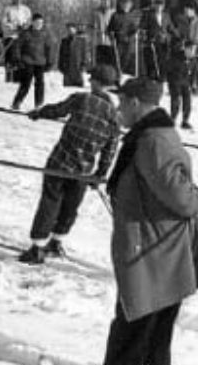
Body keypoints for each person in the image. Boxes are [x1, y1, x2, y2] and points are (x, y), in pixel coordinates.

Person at [76, 76, 198, 365]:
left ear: (136, 102)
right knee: (158, 312)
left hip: (152, 245)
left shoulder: (151, 141)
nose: (118, 109)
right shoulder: (153, 135)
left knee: (135, 314)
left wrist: (195, 199)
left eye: (122, 103)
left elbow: (181, 197)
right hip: (158, 241)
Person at [18, 64, 122, 265]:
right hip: (83, 171)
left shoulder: (82, 99)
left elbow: (57, 110)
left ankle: (38, 247)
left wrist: (38, 113)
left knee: (50, 202)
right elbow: (110, 150)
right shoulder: (115, 116)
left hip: (59, 163)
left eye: (91, 78)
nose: (89, 81)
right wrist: (99, 174)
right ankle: (56, 242)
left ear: (97, 83)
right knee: (70, 206)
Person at [11, 14, 56, 110]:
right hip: (28, 61)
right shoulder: (26, 33)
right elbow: (17, 46)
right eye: (37, 23)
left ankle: (39, 104)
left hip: (40, 62)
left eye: (41, 23)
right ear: (32, 23)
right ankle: (17, 102)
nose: (39, 25)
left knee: (40, 84)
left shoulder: (45, 34)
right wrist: (18, 59)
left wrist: (50, 61)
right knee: (26, 83)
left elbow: (49, 48)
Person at [165, 40, 198, 130]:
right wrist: (170, 81)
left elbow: (194, 73)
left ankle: (185, 121)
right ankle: (172, 119)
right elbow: (167, 70)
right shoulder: (176, 58)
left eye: (194, 50)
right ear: (185, 49)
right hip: (175, 82)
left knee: (187, 101)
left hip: (186, 83)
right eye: (191, 49)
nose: (192, 52)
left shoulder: (194, 60)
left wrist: (193, 84)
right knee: (176, 100)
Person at [0, 0, 32, 82]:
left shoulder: (26, 9)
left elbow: (29, 21)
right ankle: (9, 78)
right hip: (11, 36)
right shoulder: (8, 9)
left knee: (22, 58)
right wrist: (14, 26)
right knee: (11, 58)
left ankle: (20, 78)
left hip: (22, 37)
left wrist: (25, 26)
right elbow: (4, 22)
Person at [106, 0, 140, 76]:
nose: (126, 6)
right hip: (118, 41)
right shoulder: (115, 15)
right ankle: (116, 75)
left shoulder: (131, 17)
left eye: (127, 5)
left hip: (127, 42)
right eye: (124, 5)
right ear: (121, 5)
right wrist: (111, 35)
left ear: (130, 6)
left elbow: (134, 29)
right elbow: (109, 29)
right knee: (116, 59)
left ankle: (122, 73)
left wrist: (134, 33)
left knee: (126, 59)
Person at [58, 22, 89, 88]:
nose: (70, 31)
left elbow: (85, 54)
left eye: (72, 29)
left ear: (75, 30)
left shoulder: (81, 41)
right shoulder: (64, 41)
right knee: (67, 91)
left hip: (77, 69)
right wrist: (60, 66)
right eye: (68, 29)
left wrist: (83, 65)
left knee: (78, 91)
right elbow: (61, 55)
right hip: (67, 70)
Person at [89, 0, 115, 68]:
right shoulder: (96, 12)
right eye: (104, 0)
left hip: (110, 42)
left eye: (107, 0)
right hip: (99, 41)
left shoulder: (112, 12)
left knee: (110, 62)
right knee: (100, 62)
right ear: (101, 1)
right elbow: (91, 25)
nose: (105, 2)